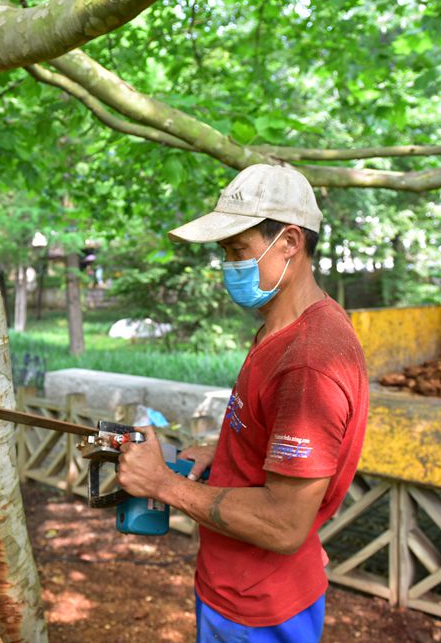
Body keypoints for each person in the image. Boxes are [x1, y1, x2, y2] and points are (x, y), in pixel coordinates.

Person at [115, 164, 369, 642]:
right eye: (225, 254)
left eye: (237, 251)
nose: (227, 267)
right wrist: (224, 451)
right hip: (241, 585)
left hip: (258, 609)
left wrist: (161, 484)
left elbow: (284, 522)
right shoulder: (285, 329)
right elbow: (275, 436)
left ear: (290, 242)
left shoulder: (309, 361)